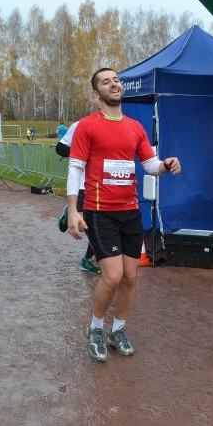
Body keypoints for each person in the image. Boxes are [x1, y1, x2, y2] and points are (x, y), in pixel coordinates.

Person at [66, 67, 181, 363]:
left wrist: (166, 164)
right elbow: (75, 167)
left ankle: (118, 329)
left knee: (131, 277)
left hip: (130, 211)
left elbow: (150, 164)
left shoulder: (134, 127)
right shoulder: (87, 126)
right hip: (99, 212)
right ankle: (95, 329)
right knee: (113, 276)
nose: (114, 84)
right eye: (106, 81)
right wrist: (73, 210)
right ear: (96, 94)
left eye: (116, 80)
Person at [57, 98, 103, 275]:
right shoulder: (80, 125)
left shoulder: (114, 125)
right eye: (98, 110)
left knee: (97, 225)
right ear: (93, 109)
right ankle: (70, 212)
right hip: (84, 183)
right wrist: (81, 152)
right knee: (86, 225)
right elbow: (60, 148)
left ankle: (87, 260)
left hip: (103, 184)